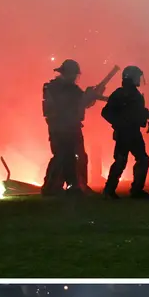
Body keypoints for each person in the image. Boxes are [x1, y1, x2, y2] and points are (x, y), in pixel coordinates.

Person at [41, 60, 107, 195]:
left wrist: (90, 95)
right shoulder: (56, 88)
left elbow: (81, 103)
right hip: (60, 128)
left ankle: (77, 185)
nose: (74, 77)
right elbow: (73, 104)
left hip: (71, 127)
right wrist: (88, 96)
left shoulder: (69, 89)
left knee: (77, 157)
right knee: (62, 157)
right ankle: (53, 187)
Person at [100, 65, 149, 198]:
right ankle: (112, 190)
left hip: (133, 132)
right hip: (125, 133)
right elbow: (106, 112)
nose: (139, 80)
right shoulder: (121, 93)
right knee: (123, 160)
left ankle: (127, 190)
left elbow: (138, 112)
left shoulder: (129, 93)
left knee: (139, 159)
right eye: (137, 77)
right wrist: (120, 124)